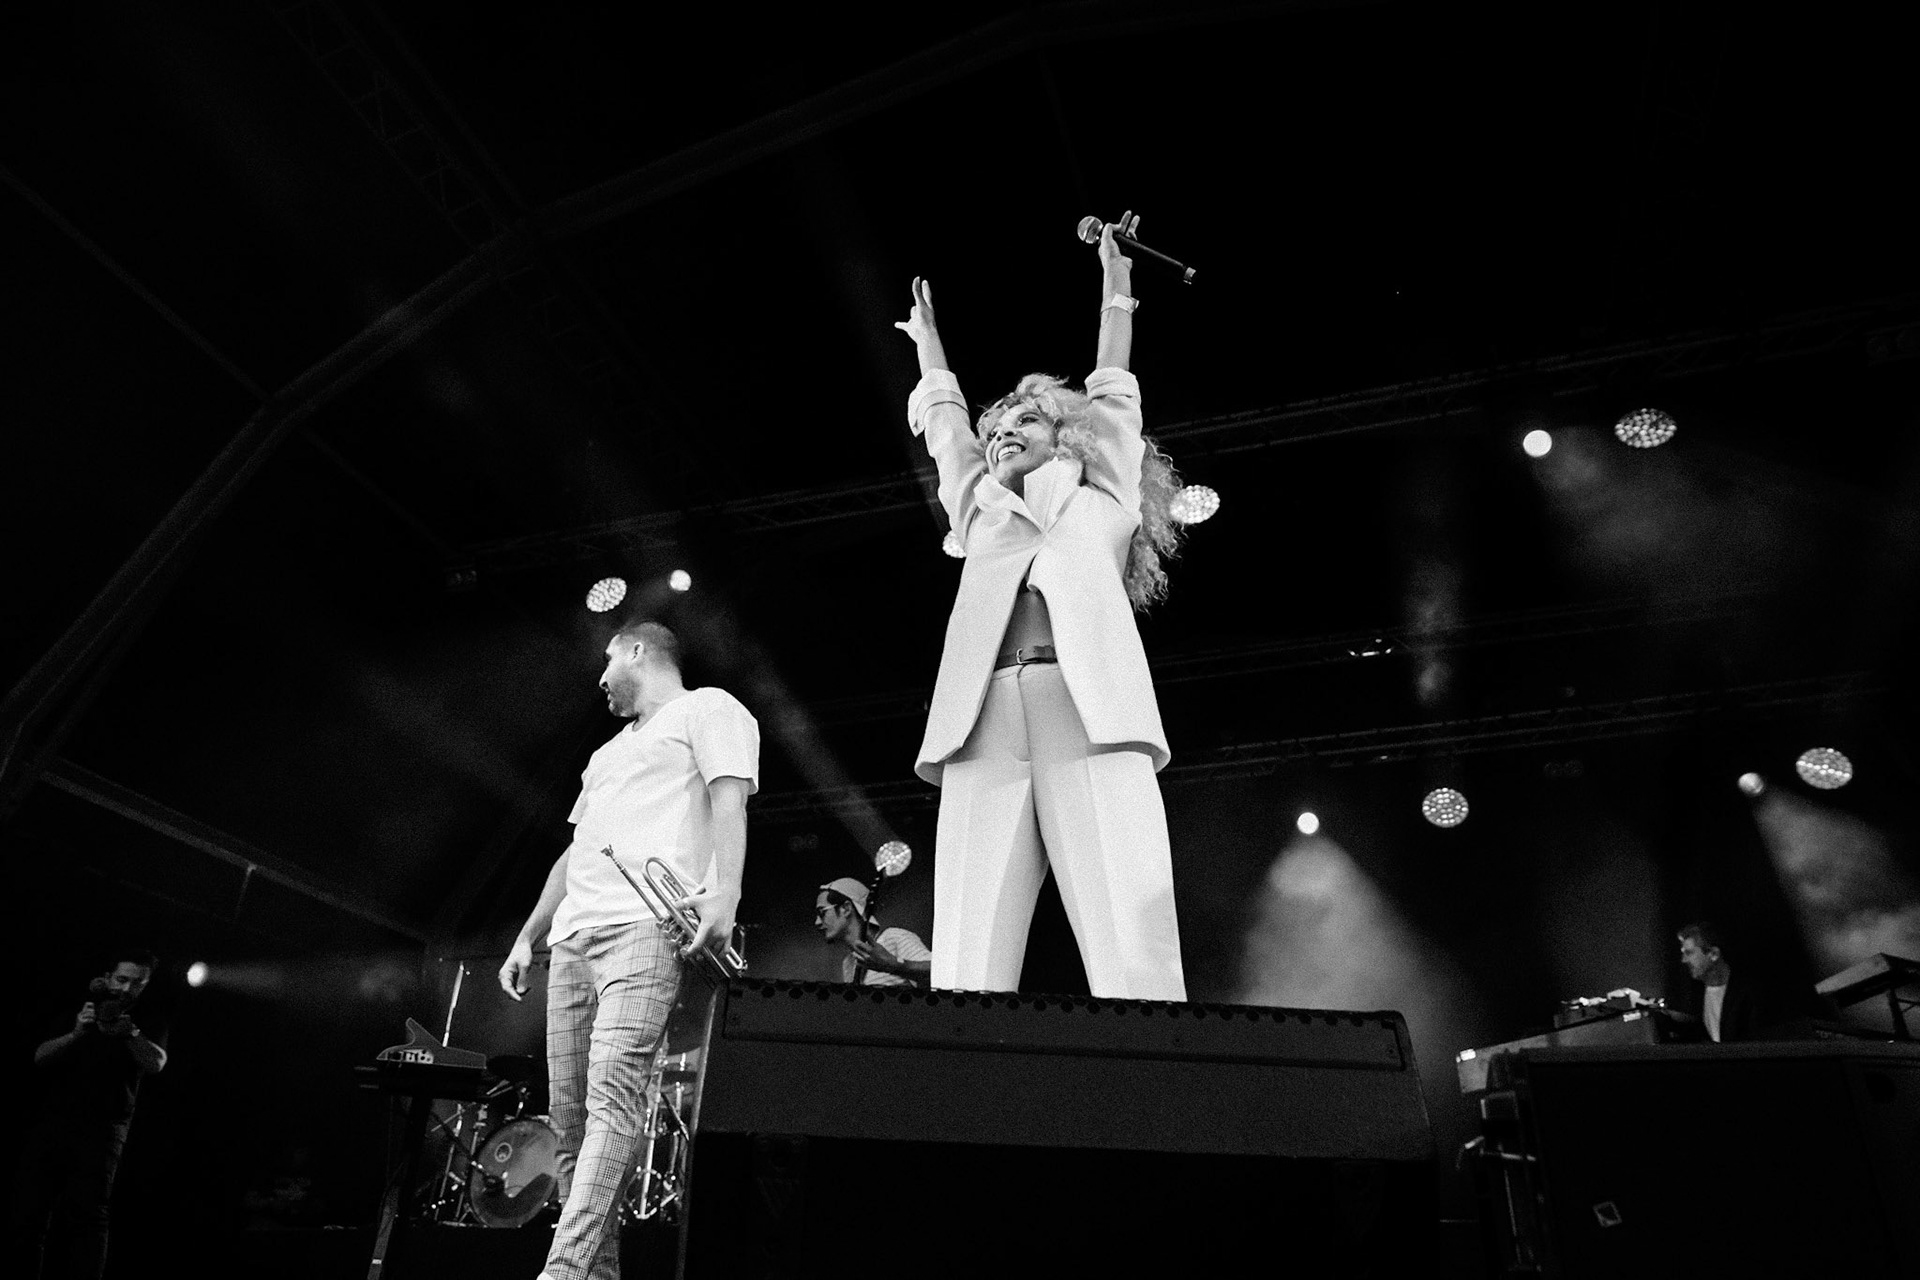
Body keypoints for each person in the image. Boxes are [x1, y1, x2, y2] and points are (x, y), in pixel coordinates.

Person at [893, 221, 1188, 1001]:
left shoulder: (1103, 494)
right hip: (982, 717)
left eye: (1022, 421)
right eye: (997, 429)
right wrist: (929, 351)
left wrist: (1116, 291)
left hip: (1086, 711)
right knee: (965, 949)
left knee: (1130, 930)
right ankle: (960, 1097)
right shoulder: (979, 513)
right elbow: (948, 438)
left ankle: (1164, 1098)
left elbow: (1113, 385)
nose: (1001, 436)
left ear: (1067, 436)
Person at [498, 620, 758, 1280]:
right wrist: (527, 936)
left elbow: (731, 799)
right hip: (572, 942)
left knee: (615, 1101)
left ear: (637, 650)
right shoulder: (605, 755)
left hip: (644, 929)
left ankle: (561, 1271)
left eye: (607, 662)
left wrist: (725, 894)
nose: (599, 681)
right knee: (569, 1121)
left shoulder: (709, 708)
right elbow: (574, 852)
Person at [16, 948, 168, 1280]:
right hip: (54, 1121)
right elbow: (39, 1057)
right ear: (108, 977)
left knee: (89, 1219)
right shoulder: (80, 1008)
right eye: (122, 980)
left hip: (104, 1129)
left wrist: (130, 1033)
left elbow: (156, 1062)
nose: (127, 989)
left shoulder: (148, 1019)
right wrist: (75, 1034)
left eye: (137, 983)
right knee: (31, 1214)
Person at [1677, 921, 1804, 1042]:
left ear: (1713, 954)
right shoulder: (1692, 999)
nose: (1684, 960)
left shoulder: (1752, 993)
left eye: (1689, 953)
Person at [814, 877, 931, 987]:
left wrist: (894, 965)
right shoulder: (848, 963)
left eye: (822, 912)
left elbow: (942, 973)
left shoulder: (894, 937)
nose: (817, 922)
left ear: (846, 908)